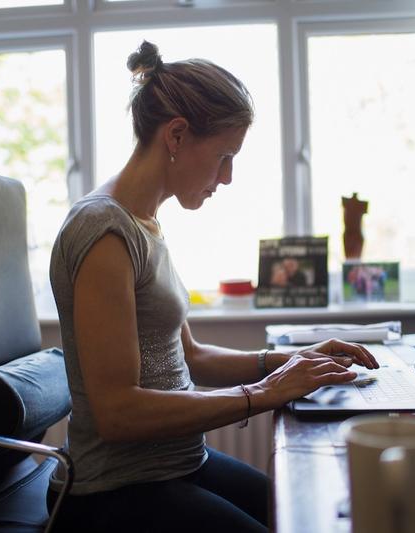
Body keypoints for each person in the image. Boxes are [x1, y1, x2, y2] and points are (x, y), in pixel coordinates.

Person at [48, 41, 379, 532]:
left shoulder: (144, 223)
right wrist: (263, 393)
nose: (226, 177)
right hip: (114, 490)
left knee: (306, 514)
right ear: (177, 135)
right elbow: (117, 412)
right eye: (224, 156)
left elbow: (193, 358)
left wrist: (294, 362)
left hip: (179, 464)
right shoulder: (103, 232)